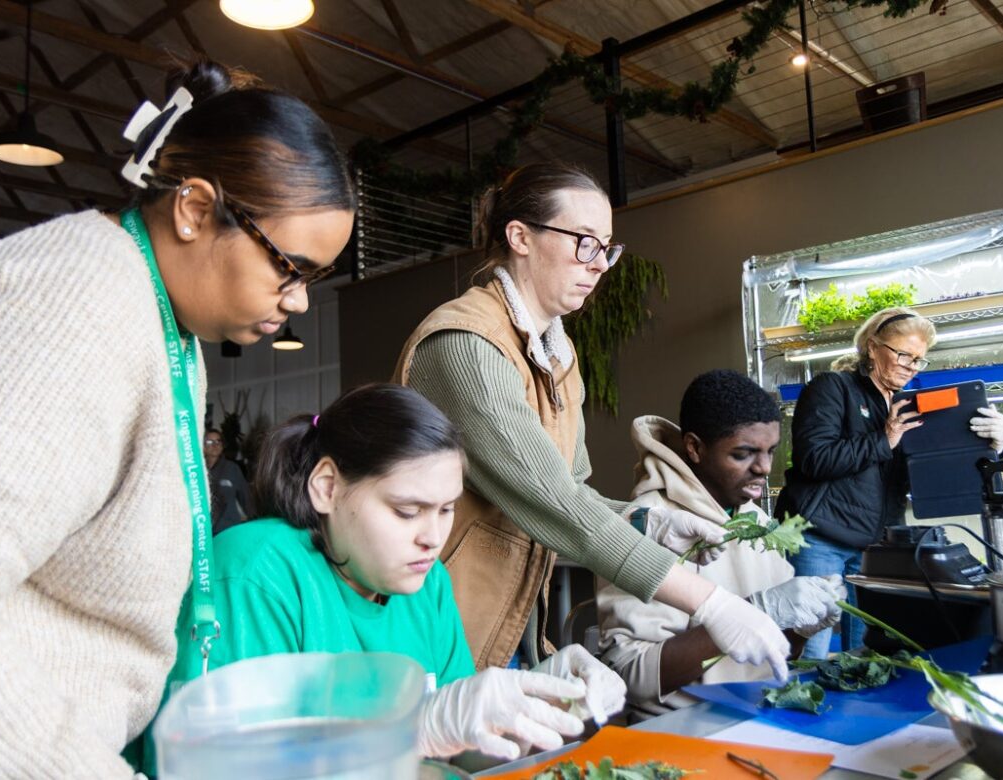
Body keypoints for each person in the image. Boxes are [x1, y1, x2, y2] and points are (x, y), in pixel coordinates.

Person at [0, 59, 356, 778]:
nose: (298, 300)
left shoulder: (166, 322)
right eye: (288, 267)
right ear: (194, 210)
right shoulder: (75, 305)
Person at [394, 162, 790, 682]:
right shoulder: (465, 344)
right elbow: (553, 500)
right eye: (584, 243)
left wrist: (646, 522)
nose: (600, 264)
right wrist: (712, 603)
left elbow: (575, 488)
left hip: (505, 629)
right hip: (439, 628)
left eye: (606, 247)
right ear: (520, 237)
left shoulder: (559, 355)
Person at [147, 384, 627, 771]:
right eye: (407, 511)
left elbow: (459, 750)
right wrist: (413, 729)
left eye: (446, 510)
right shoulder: (256, 574)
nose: (432, 538)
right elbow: (221, 767)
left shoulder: (427, 584)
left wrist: (534, 707)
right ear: (327, 487)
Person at [596, 369, 845, 718]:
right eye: (743, 454)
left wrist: (802, 626)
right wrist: (751, 613)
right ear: (695, 448)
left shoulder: (756, 520)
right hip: (682, 725)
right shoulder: (651, 524)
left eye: (771, 451)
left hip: (760, 714)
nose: (764, 467)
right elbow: (629, 676)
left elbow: (772, 656)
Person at [774, 307, 1003, 658]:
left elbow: (938, 470)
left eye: (919, 360)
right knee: (811, 650)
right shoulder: (833, 388)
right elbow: (815, 459)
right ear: (873, 348)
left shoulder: (907, 407)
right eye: (904, 355)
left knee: (867, 652)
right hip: (822, 538)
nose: (912, 366)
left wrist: (995, 446)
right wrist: (884, 439)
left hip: (877, 548)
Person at [204, 428, 254, 535]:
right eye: (209, 442)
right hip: (205, 530)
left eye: (218, 441)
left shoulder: (232, 468)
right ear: (203, 446)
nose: (215, 445)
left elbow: (245, 497)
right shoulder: (198, 471)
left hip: (229, 528)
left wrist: (255, 520)